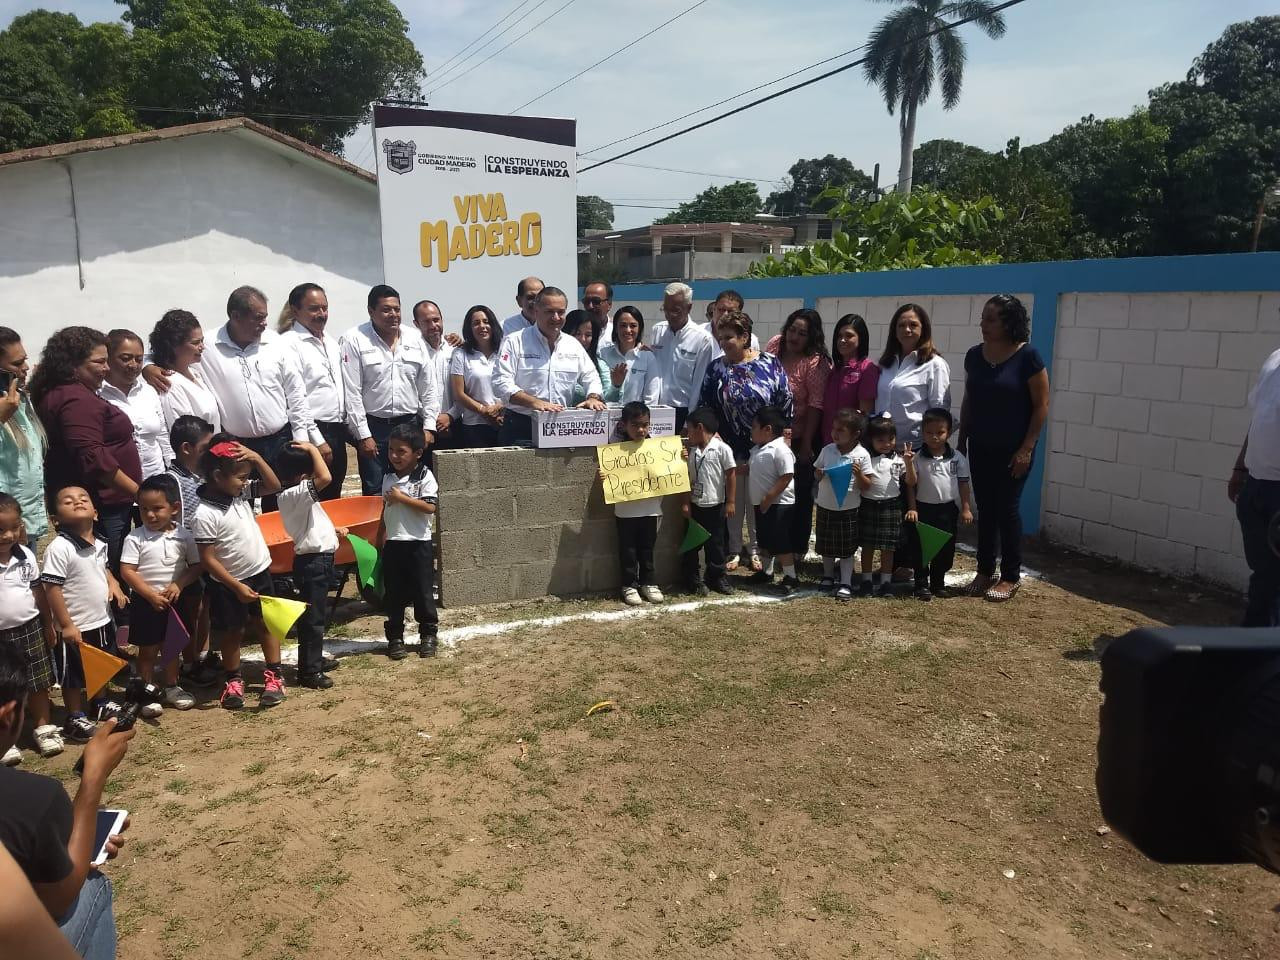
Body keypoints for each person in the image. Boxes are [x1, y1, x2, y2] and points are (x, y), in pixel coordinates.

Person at [0, 642, 134, 960]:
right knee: (90, 884)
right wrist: (93, 779)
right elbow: (60, 897)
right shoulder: (34, 798)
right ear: (9, 716)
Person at [170, 287, 315, 513]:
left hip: (279, 441)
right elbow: (168, 353)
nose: (265, 323)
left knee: (284, 504)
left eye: (265, 316)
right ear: (236, 316)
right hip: (235, 444)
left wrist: (301, 439)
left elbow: (296, 393)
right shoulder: (208, 344)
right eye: (258, 317)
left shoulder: (276, 343)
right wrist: (150, 367)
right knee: (237, 505)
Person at [957, 294, 1049, 603]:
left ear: (1009, 322)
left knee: (1007, 509)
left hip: (1015, 450)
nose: (983, 324)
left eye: (991, 319)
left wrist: (1027, 448)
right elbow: (970, 399)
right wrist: (962, 438)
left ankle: (1010, 575)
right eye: (983, 318)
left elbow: (1041, 406)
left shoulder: (1029, 357)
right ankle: (984, 571)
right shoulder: (974, 356)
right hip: (980, 445)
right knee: (986, 508)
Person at [30, 327, 142, 574]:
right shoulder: (75, 399)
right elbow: (92, 456)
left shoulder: (65, 392)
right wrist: (139, 492)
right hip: (104, 503)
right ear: (73, 365)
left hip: (102, 500)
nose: (107, 368)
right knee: (108, 573)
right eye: (100, 362)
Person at [191, 436, 285, 710]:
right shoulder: (205, 514)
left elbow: (274, 485)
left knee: (265, 625)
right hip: (228, 585)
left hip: (259, 572)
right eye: (241, 477)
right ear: (218, 476)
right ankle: (233, 680)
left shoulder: (240, 494)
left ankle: (274, 675)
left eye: (247, 477)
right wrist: (235, 586)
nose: (245, 482)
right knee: (231, 632)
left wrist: (255, 457)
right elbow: (207, 559)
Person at [698, 310, 793, 574]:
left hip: (764, 446)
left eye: (729, 337)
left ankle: (756, 549)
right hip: (731, 446)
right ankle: (734, 548)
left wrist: (783, 436)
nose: (723, 342)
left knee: (757, 499)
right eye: (720, 337)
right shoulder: (716, 368)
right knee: (734, 499)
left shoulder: (770, 363)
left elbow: (785, 401)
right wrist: (713, 434)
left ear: (744, 337)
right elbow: (706, 406)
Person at [40, 486, 128, 743]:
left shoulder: (99, 542)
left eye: (83, 499)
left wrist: (114, 584)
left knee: (99, 666)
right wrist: (65, 624)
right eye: (68, 501)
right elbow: (52, 588)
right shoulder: (60, 548)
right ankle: (74, 715)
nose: (77, 502)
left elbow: (103, 568)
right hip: (75, 625)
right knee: (73, 674)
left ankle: (99, 701)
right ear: (56, 520)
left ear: (96, 513)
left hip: (100, 618)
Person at [341, 284, 441, 495]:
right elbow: (352, 392)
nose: (393, 314)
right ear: (371, 311)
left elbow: (429, 387)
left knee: (411, 489)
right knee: (375, 490)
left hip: (409, 425)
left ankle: (406, 529)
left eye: (396, 309)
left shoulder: (415, 338)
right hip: (374, 427)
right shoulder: (354, 339)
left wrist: (429, 427)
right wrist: (363, 435)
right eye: (386, 309)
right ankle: (379, 529)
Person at [118, 475, 201, 713]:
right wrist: (149, 595)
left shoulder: (184, 535)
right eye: (144, 510)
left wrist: (179, 585)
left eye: (157, 508)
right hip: (147, 603)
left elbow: (196, 566)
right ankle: (146, 690)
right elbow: (127, 571)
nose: (150, 515)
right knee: (148, 649)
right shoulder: (136, 537)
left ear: (174, 508)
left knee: (172, 646)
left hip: (175, 601)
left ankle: (172, 686)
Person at [492, 286, 606, 447]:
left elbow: (591, 376)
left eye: (561, 312)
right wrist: (535, 403)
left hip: (560, 427)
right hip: (521, 426)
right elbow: (500, 383)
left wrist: (593, 397)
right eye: (549, 311)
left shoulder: (572, 344)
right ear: (536, 311)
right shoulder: (514, 341)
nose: (556, 317)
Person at [274, 442, 346, 689]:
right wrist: (312, 448)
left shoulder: (298, 496)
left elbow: (312, 522)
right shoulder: (294, 494)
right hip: (312, 562)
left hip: (318, 560)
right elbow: (325, 476)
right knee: (312, 619)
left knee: (316, 616)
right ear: (302, 475)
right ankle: (309, 671)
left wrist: (334, 531)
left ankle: (313, 660)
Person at [0, 494, 62, 763]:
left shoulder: (25, 555)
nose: (9, 535)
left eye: (15, 527)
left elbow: (38, 592)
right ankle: (4, 737)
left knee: (38, 680)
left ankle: (43, 727)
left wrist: (48, 624)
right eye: (0, 530)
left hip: (30, 627)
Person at [766, 308, 832, 559]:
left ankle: (796, 547)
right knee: (771, 491)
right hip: (771, 436)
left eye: (802, 333)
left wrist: (805, 445)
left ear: (812, 336)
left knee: (800, 496)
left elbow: (816, 405)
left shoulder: (816, 362)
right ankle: (770, 545)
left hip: (800, 437)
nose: (794, 337)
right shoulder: (775, 344)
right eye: (792, 329)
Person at [279, 283, 349, 501]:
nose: (321, 314)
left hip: (337, 432)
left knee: (333, 495)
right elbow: (296, 399)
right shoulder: (289, 344)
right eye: (314, 308)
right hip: (313, 433)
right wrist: (317, 440)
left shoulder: (331, 341)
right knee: (311, 499)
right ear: (295, 310)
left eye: (324, 308)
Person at [376, 424, 439, 659]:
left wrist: (402, 498)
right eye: (391, 450)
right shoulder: (388, 477)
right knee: (394, 594)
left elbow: (429, 507)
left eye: (401, 451)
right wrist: (381, 533)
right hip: (394, 543)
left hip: (418, 543)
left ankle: (428, 634)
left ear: (417, 453)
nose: (394, 456)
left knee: (423, 592)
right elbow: (385, 508)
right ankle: (395, 637)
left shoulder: (425, 476)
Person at [1230, 336, 1280, 627]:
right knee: (1263, 575)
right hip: (1256, 486)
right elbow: (1258, 419)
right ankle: (1253, 646)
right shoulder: (1275, 359)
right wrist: (1240, 467)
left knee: (1275, 582)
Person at [164, 416, 217, 687]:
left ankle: (202, 654)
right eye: (205, 446)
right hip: (186, 557)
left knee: (204, 606)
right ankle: (190, 661)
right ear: (186, 448)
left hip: (206, 552)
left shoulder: (204, 475)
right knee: (190, 609)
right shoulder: (170, 480)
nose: (210, 451)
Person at [603, 402, 665, 606]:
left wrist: (679, 460)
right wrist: (605, 476)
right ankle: (629, 585)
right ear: (624, 425)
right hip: (626, 510)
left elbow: (668, 471)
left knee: (647, 549)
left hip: (651, 508)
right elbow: (609, 477)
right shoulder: (615, 451)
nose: (641, 430)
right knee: (628, 550)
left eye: (645, 425)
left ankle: (649, 583)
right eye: (635, 425)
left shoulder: (658, 448)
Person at [910, 407, 974, 601]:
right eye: (929, 432)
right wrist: (912, 508)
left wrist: (965, 508)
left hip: (947, 510)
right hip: (923, 508)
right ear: (922, 433)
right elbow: (910, 485)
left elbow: (964, 484)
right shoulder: (916, 457)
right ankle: (921, 584)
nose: (934, 437)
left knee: (945, 547)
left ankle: (938, 583)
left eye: (940, 432)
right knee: (921, 547)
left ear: (948, 433)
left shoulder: (957, 459)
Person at [813, 409, 872, 601]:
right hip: (825, 505)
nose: (835, 433)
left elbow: (867, 485)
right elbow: (817, 471)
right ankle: (828, 576)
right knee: (826, 545)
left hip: (849, 508)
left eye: (841, 430)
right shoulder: (827, 450)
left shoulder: (862, 454)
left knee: (847, 547)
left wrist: (858, 474)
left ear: (855, 434)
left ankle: (846, 581)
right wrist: (820, 474)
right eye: (833, 429)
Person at [100, 329, 173, 481]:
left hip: (156, 482)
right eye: (125, 358)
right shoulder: (96, 394)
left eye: (139, 359)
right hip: (117, 486)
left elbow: (162, 435)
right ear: (108, 358)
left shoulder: (148, 391)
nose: (133, 365)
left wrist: (171, 468)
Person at [0, 328, 49, 550]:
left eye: (25, 360)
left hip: (24, 522)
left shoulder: (19, 400)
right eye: (17, 364)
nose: (25, 368)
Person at [876, 303, 951, 446]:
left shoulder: (935, 364)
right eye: (901, 325)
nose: (907, 329)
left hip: (914, 449)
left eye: (913, 325)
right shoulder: (886, 363)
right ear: (894, 330)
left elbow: (939, 411)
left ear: (924, 329)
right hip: (882, 448)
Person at [681, 407, 736, 596]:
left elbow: (730, 475)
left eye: (689, 430)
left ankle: (716, 576)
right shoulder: (690, 452)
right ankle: (693, 579)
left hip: (716, 505)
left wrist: (731, 501)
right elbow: (685, 479)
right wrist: (686, 503)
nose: (687, 435)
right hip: (696, 505)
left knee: (716, 545)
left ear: (700, 428)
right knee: (692, 545)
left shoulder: (722, 449)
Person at [858, 416, 915, 597]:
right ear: (871, 440)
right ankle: (866, 580)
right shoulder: (866, 459)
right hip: (868, 504)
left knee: (888, 547)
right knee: (867, 545)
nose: (886, 444)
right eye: (880, 440)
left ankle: (885, 582)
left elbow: (911, 482)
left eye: (890, 439)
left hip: (892, 506)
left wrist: (908, 463)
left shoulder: (899, 460)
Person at [649, 282, 715, 433]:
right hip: (656, 409)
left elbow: (699, 384)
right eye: (666, 309)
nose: (670, 314)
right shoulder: (657, 331)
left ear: (689, 307)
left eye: (676, 310)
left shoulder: (702, 339)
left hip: (683, 412)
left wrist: (689, 422)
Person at [747, 406, 799, 596]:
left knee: (781, 542)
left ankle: (791, 576)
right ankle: (767, 572)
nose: (751, 431)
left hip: (779, 504)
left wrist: (769, 497)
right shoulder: (758, 449)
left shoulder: (780, 449)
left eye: (754, 427)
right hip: (761, 503)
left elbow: (786, 475)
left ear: (767, 429)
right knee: (765, 539)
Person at [147, 310, 221, 433]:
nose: (202, 347)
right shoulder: (169, 383)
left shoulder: (194, 372)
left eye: (202, 341)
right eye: (195, 343)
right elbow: (186, 435)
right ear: (174, 345)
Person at [449, 305, 504, 448]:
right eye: (476, 323)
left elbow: (516, 385)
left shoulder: (505, 351)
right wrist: (484, 411)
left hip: (504, 422)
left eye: (486, 322)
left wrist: (499, 407)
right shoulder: (460, 354)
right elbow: (459, 393)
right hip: (474, 426)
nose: (482, 326)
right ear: (469, 328)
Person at [821, 314, 880, 443]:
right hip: (828, 444)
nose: (842, 340)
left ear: (861, 338)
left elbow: (864, 414)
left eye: (849, 336)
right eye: (839, 336)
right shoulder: (834, 370)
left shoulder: (867, 369)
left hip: (849, 446)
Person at [412, 300, 459, 448]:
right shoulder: (412, 353)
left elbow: (465, 390)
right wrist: (432, 421)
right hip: (422, 427)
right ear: (416, 324)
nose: (433, 326)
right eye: (426, 322)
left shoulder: (456, 350)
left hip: (455, 425)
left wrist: (450, 416)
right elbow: (411, 391)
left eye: (436, 320)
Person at [599, 306, 661, 405]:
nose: (628, 330)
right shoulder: (603, 354)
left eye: (633, 326)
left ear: (639, 328)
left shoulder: (648, 357)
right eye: (623, 325)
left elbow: (651, 398)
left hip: (636, 417)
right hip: (606, 415)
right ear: (615, 328)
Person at [564, 309, 618, 403]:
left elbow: (608, 398)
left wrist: (616, 385)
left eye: (588, 335)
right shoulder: (556, 360)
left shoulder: (600, 364)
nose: (582, 339)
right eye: (577, 334)